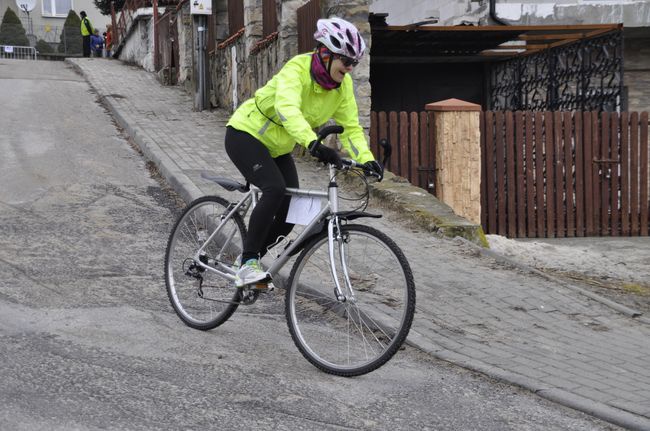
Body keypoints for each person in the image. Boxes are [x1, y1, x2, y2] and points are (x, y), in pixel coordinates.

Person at [225, 17, 384, 287]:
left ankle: (247, 266)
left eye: (353, 63)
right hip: (246, 134)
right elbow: (288, 110)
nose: (350, 68)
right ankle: (249, 262)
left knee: (291, 214)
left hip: (278, 148)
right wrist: (313, 144)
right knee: (274, 188)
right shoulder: (296, 70)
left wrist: (367, 160)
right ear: (326, 53)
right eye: (346, 61)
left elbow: (352, 128)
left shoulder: (341, 88)